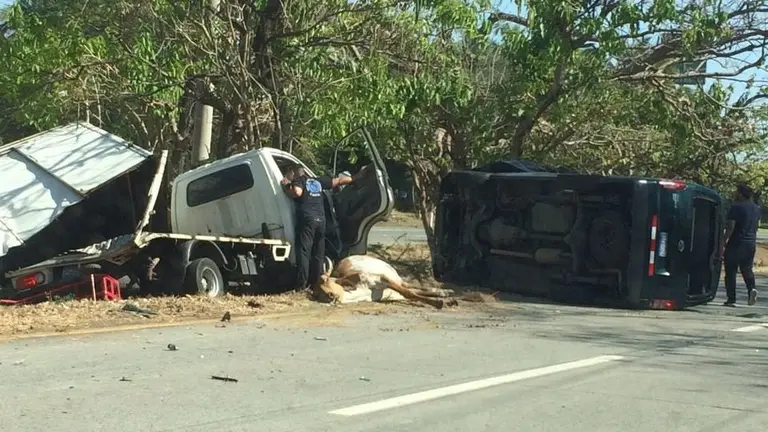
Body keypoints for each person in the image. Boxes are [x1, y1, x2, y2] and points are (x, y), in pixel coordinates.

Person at [280, 164, 372, 290]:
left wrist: (286, 186)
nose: (288, 176)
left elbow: (297, 191)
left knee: (304, 252)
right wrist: (358, 176)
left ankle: (301, 285)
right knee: (318, 252)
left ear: (293, 172)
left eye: (288, 174)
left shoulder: (299, 180)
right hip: (321, 220)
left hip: (308, 220)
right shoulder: (318, 181)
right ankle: (317, 282)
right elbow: (339, 181)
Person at [722, 184, 760, 306]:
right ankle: (751, 289)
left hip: (736, 242)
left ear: (741, 194)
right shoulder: (756, 209)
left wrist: (724, 240)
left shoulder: (736, 207)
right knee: (747, 269)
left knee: (731, 271)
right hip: (750, 243)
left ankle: (731, 299)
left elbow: (730, 226)